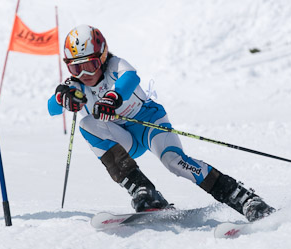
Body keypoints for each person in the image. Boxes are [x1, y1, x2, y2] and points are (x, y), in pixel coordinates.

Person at [47, 25, 276, 222]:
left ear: (103, 57)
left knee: (175, 162)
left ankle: (246, 199)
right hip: (123, 141)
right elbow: (51, 108)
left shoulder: (116, 65)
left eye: (91, 64)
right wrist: (61, 97)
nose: (84, 73)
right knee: (87, 124)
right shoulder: (78, 85)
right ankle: (143, 191)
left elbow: (130, 80)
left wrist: (113, 98)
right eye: (76, 67)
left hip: (149, 124)